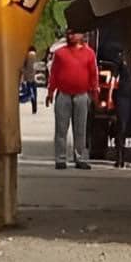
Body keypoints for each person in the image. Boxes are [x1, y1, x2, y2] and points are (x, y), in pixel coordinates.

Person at [46, 27, 99, 170]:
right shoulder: (60, 53)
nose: (71, 35)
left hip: (81, 95)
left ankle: (79, 157)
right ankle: (60, 158)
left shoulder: (89, 54)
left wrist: (94, 92)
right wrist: (50, 92)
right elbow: (54, 74)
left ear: (82, 35)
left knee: (80, 129)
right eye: (69, 33)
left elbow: (93, 74)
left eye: (74, 32)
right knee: (61, 129)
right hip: (63, 94)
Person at [20, 45, 38, 114]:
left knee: (29, 93)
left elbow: (25, 67)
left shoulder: (27, 56)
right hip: (33, 78)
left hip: (28, 78)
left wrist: (22, 72)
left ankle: (19, 99)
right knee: (33, 94)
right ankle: (34, 109)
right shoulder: (35, 56)